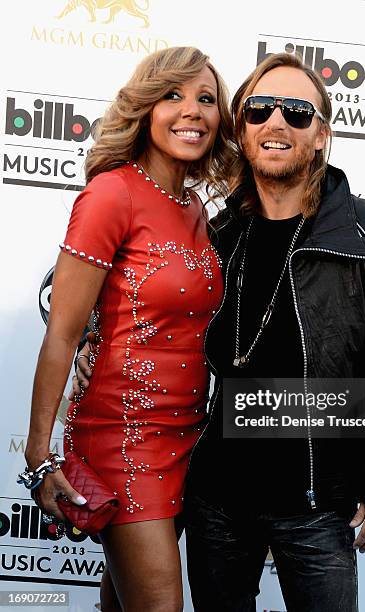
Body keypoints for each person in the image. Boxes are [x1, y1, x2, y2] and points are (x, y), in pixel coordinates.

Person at [74, 52, 365, 611]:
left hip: (319, 504)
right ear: (242, 130)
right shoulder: (218, 233)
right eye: (260, 110)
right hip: (217, 502)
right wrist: (96, 333)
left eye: (296, 112)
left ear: (321, 135)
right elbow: (150, 299)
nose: (276, 122)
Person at [22, 46, 233, 612]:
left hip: (186, 437)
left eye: (206, 99)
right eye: (173, 95)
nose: (192, 110)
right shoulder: (111, 194)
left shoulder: (195, 209)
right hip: (124, 438)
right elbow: (63, 334)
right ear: (145, 106)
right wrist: (40, 458)